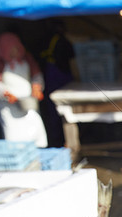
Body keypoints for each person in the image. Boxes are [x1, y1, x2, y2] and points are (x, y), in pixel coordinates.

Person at [0, 32, 48, 148]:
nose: (15, 52)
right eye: (11, 49)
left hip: (28, 102)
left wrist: (37, 87)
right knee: (15, 135)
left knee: (35, 127)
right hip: (9, 107)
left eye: (16, 48)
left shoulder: (27, 58)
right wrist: (5, 93)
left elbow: (36, 75)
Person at [38, 20, 75, 148]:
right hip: (57, 75)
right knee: (57, 109)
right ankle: (58, 141)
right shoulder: (58, 40)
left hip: (55, 74)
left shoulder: (48, 40)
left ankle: (58, 140)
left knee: (56, 109)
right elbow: (71, 54)